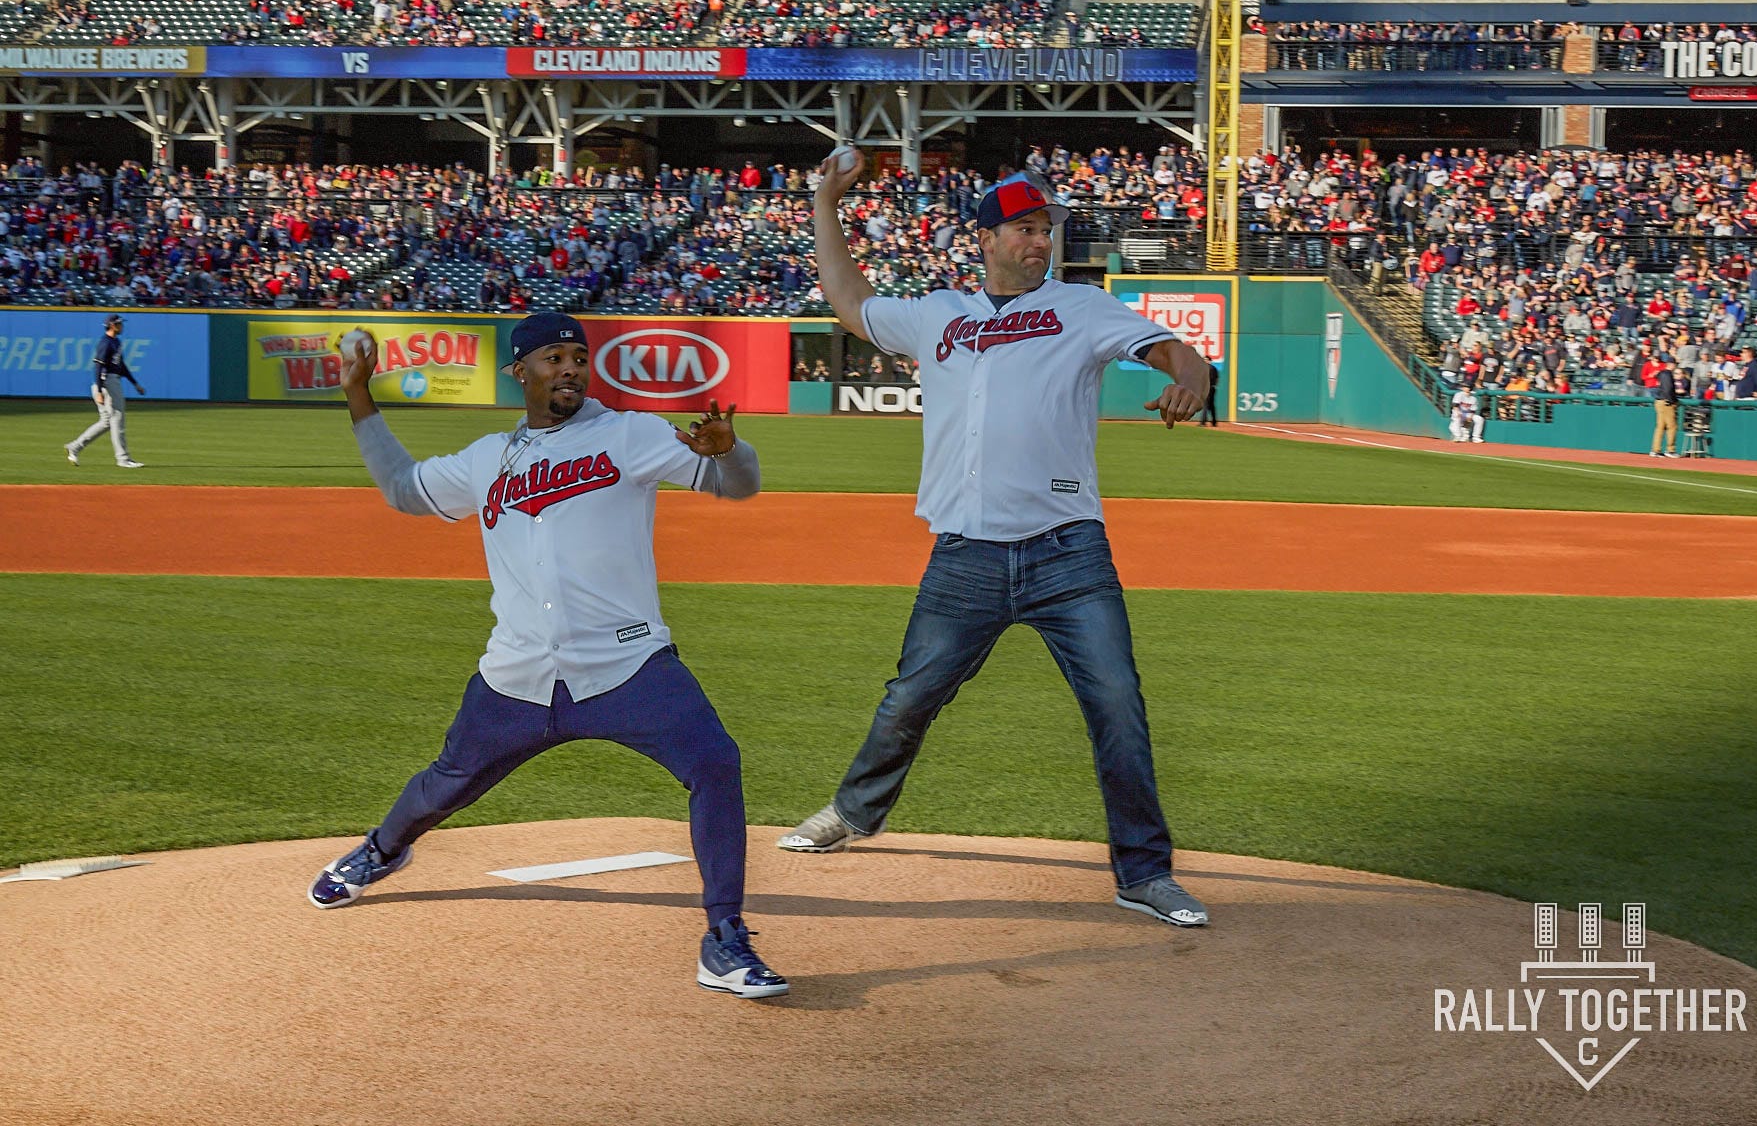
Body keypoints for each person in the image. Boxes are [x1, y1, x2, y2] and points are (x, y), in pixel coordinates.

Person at [780, 153, 1215, 930]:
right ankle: (853, 811)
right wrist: (824, 202)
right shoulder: (939, 313)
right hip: (967, 555)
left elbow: (1170, 351)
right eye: (1023, 228)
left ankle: (1143, 874)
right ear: (984, 238)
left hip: (1068, 554)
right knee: (909, 698)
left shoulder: (1082, 308)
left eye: (1046, 229)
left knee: (1118, 704)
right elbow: (850, 301)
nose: (1038, 242)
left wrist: (1195, 380)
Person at [308, 312, 788, 999]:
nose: (569, 368)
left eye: (578, 357)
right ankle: (380, 851)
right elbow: (404, 489)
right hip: (517, 676)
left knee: (715, 761)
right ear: (520, 372)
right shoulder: (484, 459)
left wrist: (728, 454)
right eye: (553, 357)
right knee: (446, 781)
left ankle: (723, 937)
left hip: (627, 667)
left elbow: (737, 486)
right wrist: (358, 395)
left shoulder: (632, 434)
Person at [64, 313, 145, 468]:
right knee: (117, 419)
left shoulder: (116, 342)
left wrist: (135, 383)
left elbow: (122, 366)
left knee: (106, 422)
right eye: (120, 323)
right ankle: (123, 459)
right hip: (107, 383)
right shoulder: (106, 342)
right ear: (112, 325)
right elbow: (98, 366)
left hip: (109, 382)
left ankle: (74, 447)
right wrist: (100, 391)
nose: (122, 326)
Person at [1650, 357, 1681, 457]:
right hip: (1666, 402)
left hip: (1659, 401)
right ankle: (1670, 450)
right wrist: (1673, 401)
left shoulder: (1662, 373)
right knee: (1672, 426)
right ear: (1671, 364)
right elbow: (1668, 389)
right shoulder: (1667, 374)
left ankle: (1655, 450)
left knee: (1660, 427)